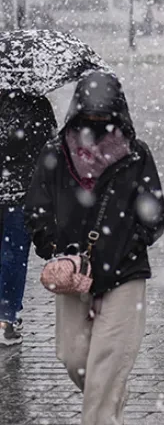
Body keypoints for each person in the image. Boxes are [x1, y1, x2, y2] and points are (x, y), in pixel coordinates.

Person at [26, 71, 164, 424]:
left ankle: (103, 409)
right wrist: (55, 247)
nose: (97, 125)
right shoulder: (55, 153)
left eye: (104, 117)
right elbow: (36, 206)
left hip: (125, 272)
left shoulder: (135, 155)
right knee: (73, 356)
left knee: (107, 362)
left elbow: (153, 211)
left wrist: (128, 243)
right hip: (71, 274)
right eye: (90, 117)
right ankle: (108, 394)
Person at [0, 89, 57, 345]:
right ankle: (5, 318)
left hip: (18, 190)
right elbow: (49, 151)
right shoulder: (36, 104)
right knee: (13, 254)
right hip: (22, 192)